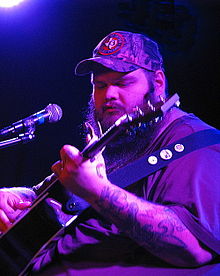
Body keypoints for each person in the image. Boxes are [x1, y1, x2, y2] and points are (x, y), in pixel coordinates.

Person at [0, 31, 219, 275]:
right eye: (100, 85)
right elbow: (53, 195)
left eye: (123, 83)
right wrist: (18, 195)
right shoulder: (118, 138)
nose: (109, 95)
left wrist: (97, 191)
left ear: (157, 83)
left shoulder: (196, 142)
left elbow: (195, 246)